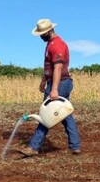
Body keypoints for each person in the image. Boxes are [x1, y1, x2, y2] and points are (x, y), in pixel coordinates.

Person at [18, 19, 81, 156]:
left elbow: (58, 68)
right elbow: (49, 67)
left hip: (60, 83)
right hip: (56, 82)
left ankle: (33, 147)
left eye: (43, 34)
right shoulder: (50, 44)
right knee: (66, 115)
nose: (41, 36)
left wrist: (54, 89)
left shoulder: (57, 45)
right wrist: (43, 81)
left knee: (46, 114)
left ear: (50, 31)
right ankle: (75, 146)